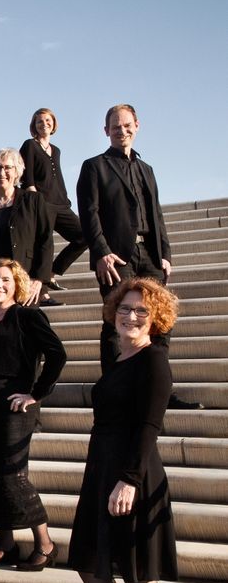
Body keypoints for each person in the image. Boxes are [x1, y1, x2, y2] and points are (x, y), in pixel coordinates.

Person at [76, 103, 200, 409]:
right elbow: (89, 214)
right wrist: (101, 252)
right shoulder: (94, 166)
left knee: (160, 322)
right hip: (116, 257)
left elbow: (156, 214)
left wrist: (165, 254)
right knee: (115, 322)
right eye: (115, 127)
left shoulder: (147, 169)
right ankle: (114, 390)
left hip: (150, 255)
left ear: (137, 126)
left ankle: (158, 390)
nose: (122, 131)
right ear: (106, 131)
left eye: (127, 125)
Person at [69, 278, 178, 583]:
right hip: (101, 471)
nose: (131, 316)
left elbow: (149, 426)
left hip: (132, 475)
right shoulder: (120, 359)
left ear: (156, 318)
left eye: (142, 310)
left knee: (137, 573)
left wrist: (129, 479)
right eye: (125, 308)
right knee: (89, 563)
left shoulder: (154, 360)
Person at [0, 259, 66, 570]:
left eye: (6, 280)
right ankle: (6, 543)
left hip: (14, 406)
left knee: (13, 476)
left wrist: (36, 393)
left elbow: (57, 354)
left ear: (17, 285)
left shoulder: (27, 315)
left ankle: (45, 544)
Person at [0, 148, 54, 308]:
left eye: (8, 167)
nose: (2, 172)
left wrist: (39, 279)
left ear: (17, 171)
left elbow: (45, 241)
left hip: (25, 283)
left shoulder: (33, 200)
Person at [21, 108, 86, 295]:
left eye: (48, 120)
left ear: (54, 124)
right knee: (44, 245)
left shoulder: (56, 150)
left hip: (61, 203)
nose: (44, 124)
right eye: (40, 121)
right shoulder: (30, 145)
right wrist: (35, 198)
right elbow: (27, 176)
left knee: (83, 236)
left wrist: (65, 197)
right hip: (42, 203)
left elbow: (57, 177)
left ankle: (52, 272)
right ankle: (42, 294)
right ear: (34, 125)